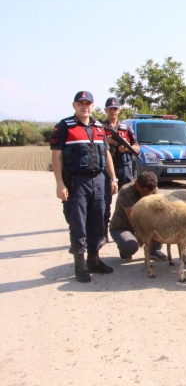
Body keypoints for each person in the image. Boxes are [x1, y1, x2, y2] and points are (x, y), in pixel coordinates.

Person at [50, 91, 119, 283]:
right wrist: (59, 184)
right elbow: (56, 156)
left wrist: (113, 178)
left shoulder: (99, 127)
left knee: (98, 220)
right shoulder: (65, 126)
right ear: (74, 106)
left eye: (88, 103)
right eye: (81, 103)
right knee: (78, 222)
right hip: (77, 181)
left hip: (99, 180)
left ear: (93, 106)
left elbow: (106, 154)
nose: (84, 106)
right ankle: (80, 264)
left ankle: (94, 260)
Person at [102, 97, 140, 244]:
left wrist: (127, 148)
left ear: (119, 110)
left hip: (125, 167)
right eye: (110, 109)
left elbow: (137, 147)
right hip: (106, 168)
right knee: (104, 203)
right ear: (106, 110)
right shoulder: (100, 128)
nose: (113, 111)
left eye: (115, 109)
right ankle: (103, 232)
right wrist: (109, 141)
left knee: (129, 201)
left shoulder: (126, 128)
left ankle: (130, 230)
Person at [109, 171, 167, 261]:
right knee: (130, 246)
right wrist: (145, 235)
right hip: (123, 227)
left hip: (145, 223)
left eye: (150, 192)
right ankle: (124, 249)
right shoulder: (126, 191)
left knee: (162, 225)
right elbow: (132, 217)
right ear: (137, 184)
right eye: (144, 191)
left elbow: (161, 210)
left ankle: (154, 250)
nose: (147, 195)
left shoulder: (153, 189)